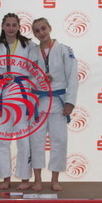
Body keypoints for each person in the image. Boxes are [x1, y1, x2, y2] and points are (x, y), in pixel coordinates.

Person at [28, 17, 78, 191]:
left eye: (43, 28)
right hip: (38, 102)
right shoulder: (32, 53)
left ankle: (55, 179)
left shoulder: (65, 50)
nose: (41, 32)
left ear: (49, 28)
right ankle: (38, 180)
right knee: (36, 141)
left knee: (59, 141)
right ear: (34, 34)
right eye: (37, 30)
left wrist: (70, 102)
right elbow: (28, 78)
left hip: (58, 102)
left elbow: (72, 77)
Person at [0, 13, 37, 190]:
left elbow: (36, 66)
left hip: (22, 95)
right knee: (1, 140)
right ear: (3, 26)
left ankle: (25, 178)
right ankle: (6, 177)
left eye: (14, 25)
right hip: (3, 96)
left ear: (19, 27)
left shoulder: (29, 45)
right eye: (8, 25)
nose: (11, 28)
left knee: (23, 140)